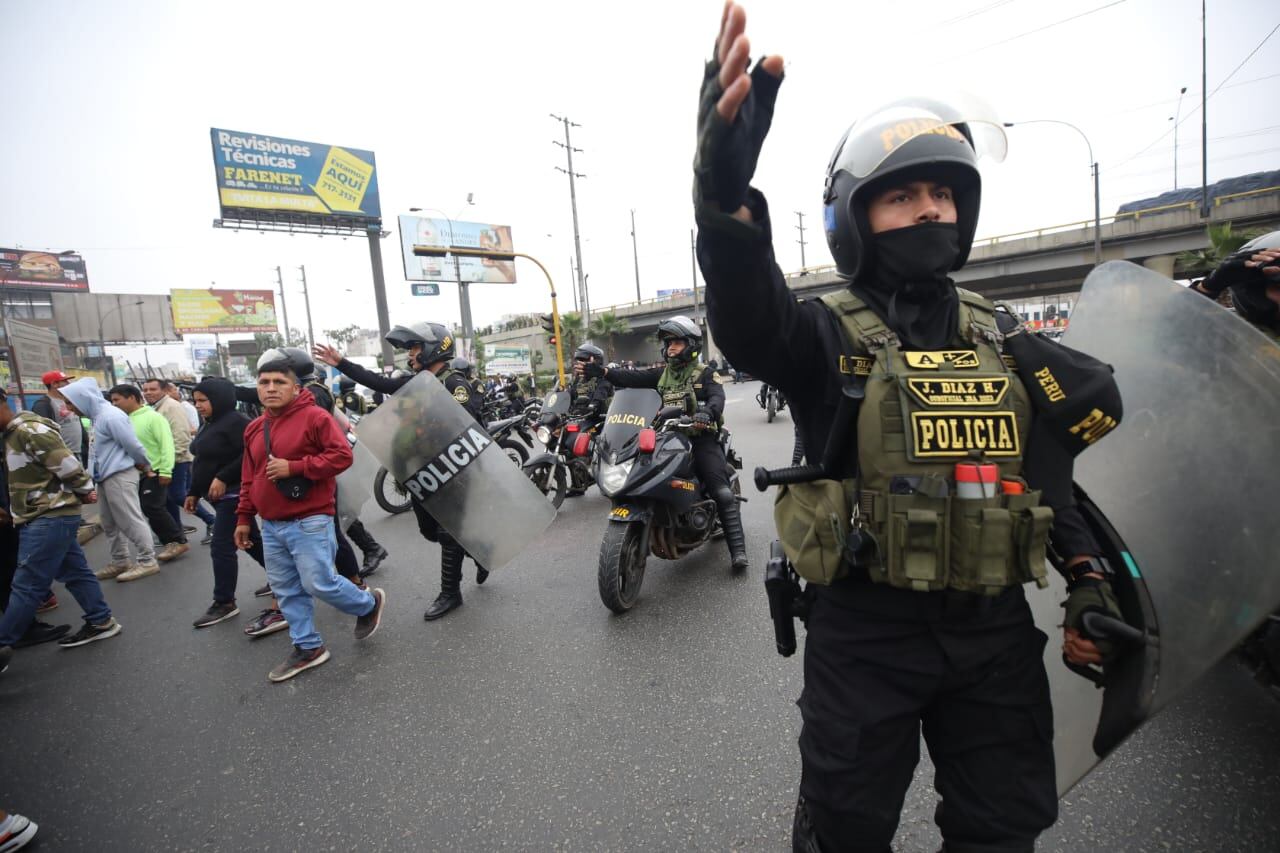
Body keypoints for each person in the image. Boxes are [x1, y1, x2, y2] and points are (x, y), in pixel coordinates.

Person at [692, 6, 1124, 849]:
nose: (929, 211)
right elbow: (748, 323)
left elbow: (1048, 472)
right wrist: (722, 209)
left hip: (995, 630)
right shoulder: (824, 335)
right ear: (855, 215)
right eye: (901, 195)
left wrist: (1089, 575)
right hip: (867, 632)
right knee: (843, 827)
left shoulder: (1005, 337)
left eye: (941, 193)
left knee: (1005, 826)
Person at [314, 321, 490, 620]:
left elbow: (467, 419)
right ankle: (478, 547)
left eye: (415, 348)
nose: (410, 355)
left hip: (457, 469)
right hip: (424, 469)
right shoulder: (416, 382)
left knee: (448, 532)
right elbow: (377, 383)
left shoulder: (453, 382)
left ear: (435, 348)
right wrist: (341, 363)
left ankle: (451, 592)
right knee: (428, 530)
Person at [234, 357, 386, 683]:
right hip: (271, 524)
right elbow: (250, 477)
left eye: (279, 382)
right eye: (264, 382)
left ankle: (366, 603)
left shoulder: (315, 417)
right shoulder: (254, 428)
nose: (271, 388)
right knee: (286, 589)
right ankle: (308, 647)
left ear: (296, 387)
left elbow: (342, 455)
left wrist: (296, 467)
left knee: (318, 582)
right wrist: (244, 517)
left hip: (310, 518)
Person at [580, 316, 748, 570]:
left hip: (700, 437)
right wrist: (603, 372)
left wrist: (707, 413)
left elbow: (717, 398)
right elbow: (631, 378)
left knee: (721, 491)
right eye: (669, 343)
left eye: (677, 342)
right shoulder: (662, 374)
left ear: (691, 345)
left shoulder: (706, 374)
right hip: (667, 434)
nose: (671, 347)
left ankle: (738, 551)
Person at [0, 386, 121, 666]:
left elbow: (70, 467)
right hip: (41, 514)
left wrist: (83, 491)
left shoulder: (30, 431)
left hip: (49, 514)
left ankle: (3, 641)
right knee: (75, 572)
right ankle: (101, 620)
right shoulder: (9, 435)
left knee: (27, 583)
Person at [58, 378, 162, 582]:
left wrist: (145, 464)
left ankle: (147, 560)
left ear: (83, 399)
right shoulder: (98, 417)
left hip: (119, 475)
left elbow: (133, 445)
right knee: (109, 523)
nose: (68, 408)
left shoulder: (111, 416)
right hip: (105, 476)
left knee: (130, 519)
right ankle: (121, 560)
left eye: (70, 402)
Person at [186, 377, 266, 628]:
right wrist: (194, 492)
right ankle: (286, 577)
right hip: (217, 496)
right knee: (251, 542)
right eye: (195, 401)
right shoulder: (210, 423)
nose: (198, 405)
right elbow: (202, 460)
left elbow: (251, 454)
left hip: (235, 494)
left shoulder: (237, 422)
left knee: (221, 546)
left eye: (203, 401)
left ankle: (224, 602)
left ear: (218, 399)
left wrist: (223, 477)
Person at [109, 385, 189, 563]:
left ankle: (177, 541)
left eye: (117, 400)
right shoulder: (123, 419)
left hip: (156, 469)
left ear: (131, 398)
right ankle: (171, 539)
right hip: (136, 472)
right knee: (156, 507)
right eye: (112, 401)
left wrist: (166, 470)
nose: (114, 404)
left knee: (152, 506)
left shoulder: (153, 417)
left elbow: (166, 445)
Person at [142, 378, 212, 544]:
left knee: (178, 495)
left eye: (153, 389)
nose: (148, 393)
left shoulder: (171, 407)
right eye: (145, 390)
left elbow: (181, 435)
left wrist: (172, 460)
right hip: (163, 461)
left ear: (163, 391)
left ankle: (211, 521)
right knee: (166, 499)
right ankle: (175, 532)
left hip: (177, 459)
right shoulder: (153, 408)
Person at [31, 370, 88, 468]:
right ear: (54, 384)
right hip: (63, 457)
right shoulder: (43, 404)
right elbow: (43, 434)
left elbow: (78, 421)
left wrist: (86, 442)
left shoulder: (69, 400)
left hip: (79, 451)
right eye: (64, 381)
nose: (68, 384)